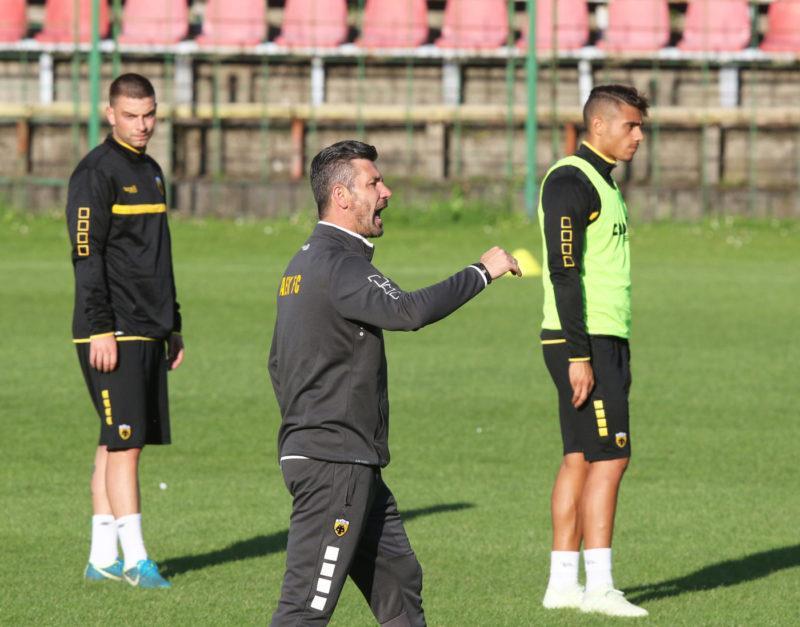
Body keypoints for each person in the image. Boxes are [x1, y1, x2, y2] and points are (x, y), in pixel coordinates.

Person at [267, 140, 521, 625]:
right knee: (305, 608)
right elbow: (407, 311)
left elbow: (277, 363)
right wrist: (481, 272)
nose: (386, 192)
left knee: (398, 581)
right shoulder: (341, 265)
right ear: (342, 196)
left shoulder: (301, 265)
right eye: (374, 183)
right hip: (334, 463)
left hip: (341, 458)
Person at [66, 73, 184, 589]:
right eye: (132, 115)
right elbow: (86, 254)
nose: (142, 125)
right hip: (114, 329)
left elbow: (159, 255)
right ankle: (137, 561)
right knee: (127, 444)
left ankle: (102, 557)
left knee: (113, 441)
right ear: (110, 113)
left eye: (149, 114)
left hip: (149, 327)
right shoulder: (95, 173)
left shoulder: (152, 171)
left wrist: (173, 323)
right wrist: (101, 328)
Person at [537, 84, 649, 618]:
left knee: (581, 458)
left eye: (641, 126)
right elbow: (565, 271)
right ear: (598, 125)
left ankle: (563, 586)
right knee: (612, 455)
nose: (639, 136)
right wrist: (580, 355)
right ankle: (601, 589)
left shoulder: (604, 182)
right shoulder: (570, 180)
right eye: (631, 125)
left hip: (601, 338)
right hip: (585, 341)